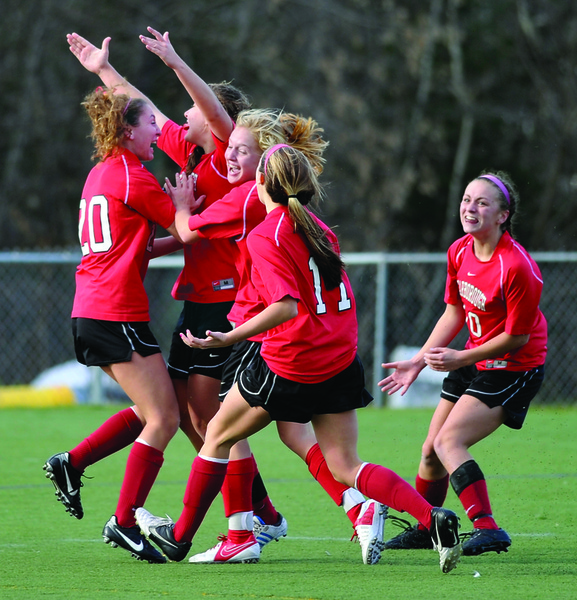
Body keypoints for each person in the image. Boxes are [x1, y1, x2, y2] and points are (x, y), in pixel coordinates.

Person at [134, 145, 463, 573]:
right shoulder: (320, 229)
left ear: (261, 183)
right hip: (339, 360)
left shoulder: (265, 234)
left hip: (293, 362)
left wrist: (229, 336)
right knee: (345, 465)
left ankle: (181, 540)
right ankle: (432, 517)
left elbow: (286, 306)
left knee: (215, 434)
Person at [66, 31, 285, 539]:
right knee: (188, 417)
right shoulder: (189, 155)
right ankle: (262, 516)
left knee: (211, 419)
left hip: (227, 303)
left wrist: (173, 60)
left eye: (190, 111)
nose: (176, 118)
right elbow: (136, 112)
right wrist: (103, 71)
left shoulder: (229, 157)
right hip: (197, 302)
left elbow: (194, 115)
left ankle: (245, 528)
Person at [168, 109, 388, 564]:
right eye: (229, 148)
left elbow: (187, 230)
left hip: (258, 332)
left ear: (265, 162)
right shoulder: (273, 199)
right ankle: (354, 504)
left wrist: (182, 207)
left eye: (241, 150)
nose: (230, 155)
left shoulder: (248, 198)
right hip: (291, 335)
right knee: (291, 433)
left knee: (220, 430)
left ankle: (236, 534)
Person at [43, 86, 198, 563]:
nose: (159, 131)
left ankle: (72, 463)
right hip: (114, 311)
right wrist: (187, 201)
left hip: (93, 310)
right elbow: (187, 230)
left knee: (157, 406)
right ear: (128, 130)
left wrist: (180, 222)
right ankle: (125, 521)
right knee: (166, 417)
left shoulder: (101, 173)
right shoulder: (134, 177)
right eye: (152, 123)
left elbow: (141, 246)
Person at [379, 171, 547, 556]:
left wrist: (461, 357)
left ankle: (488, 528)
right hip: (476, 357)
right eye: (467, 199)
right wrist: (419, 361)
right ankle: (428, 526)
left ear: (503, 215)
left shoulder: (517, 267)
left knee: (449, 441)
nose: (470, 208)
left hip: (514, 365)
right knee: (429, 451)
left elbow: (517, 338)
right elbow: (453, 312)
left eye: (482, 202)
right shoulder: (459, 251)